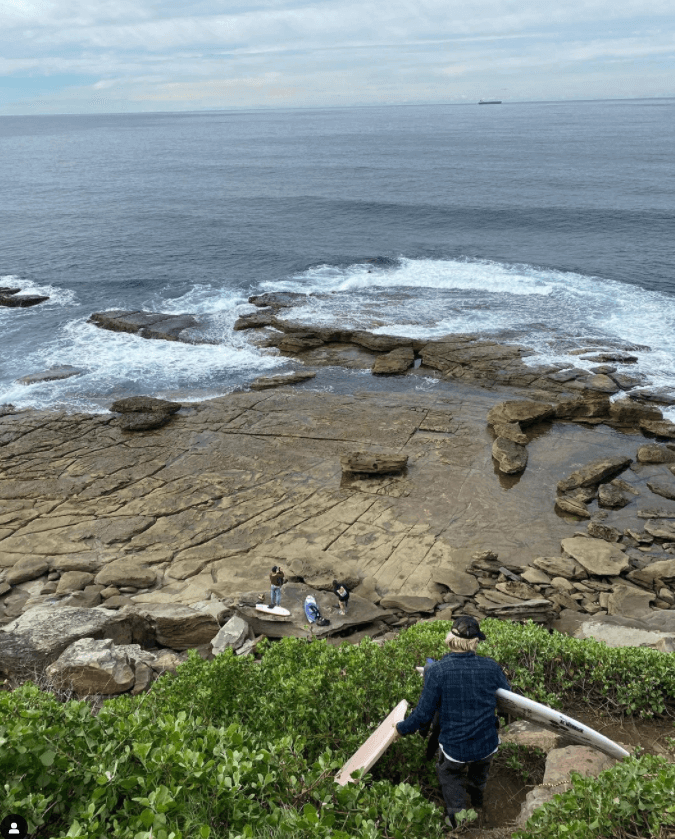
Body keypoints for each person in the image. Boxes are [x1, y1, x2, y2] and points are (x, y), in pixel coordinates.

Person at [395, 616, 510, 830]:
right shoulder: (491, 667)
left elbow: (423, 715)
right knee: (479, 773)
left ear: (450, 639)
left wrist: (401, 729)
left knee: (449, 774)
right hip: (487, 743)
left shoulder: (438, 671)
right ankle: (477, 803)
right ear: (475, 642)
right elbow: (507, 698)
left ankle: (459, 820)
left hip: (455, 747)